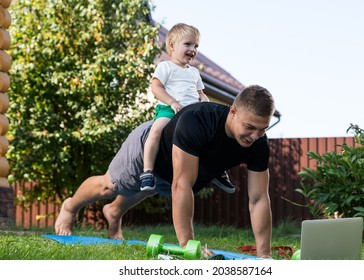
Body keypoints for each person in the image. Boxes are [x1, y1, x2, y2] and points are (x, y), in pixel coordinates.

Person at [54, 85, 275, 259]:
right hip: (147, 152)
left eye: (262, 129)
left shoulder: (258, 144)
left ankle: (113, 212)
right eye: (250, 127)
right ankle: (70, 206)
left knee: (148, 190)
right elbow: (181, 185)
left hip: (171, 173)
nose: (255, 136)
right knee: (110, 186)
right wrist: (189, 248)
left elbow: (258, 199)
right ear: (233, 112)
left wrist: (264, 255)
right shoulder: (198, 120)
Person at [140, 23, 235, 194]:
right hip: (170, 110)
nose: (193, 49)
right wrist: (172, 102)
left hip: (192, 114)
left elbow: (201, 94)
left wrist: (205, 104)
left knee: (212, 138)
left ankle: (217, 171)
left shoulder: (194, 73)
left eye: (196, 46)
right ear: (172, 46)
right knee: (156, 131)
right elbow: (156, 87)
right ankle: (147, 171)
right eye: (188, 44)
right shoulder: (165, 66)